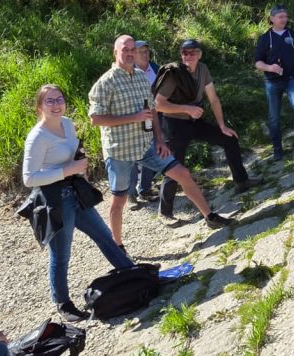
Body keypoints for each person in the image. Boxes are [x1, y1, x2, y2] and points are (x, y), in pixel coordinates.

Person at [89, 35, 234, 240]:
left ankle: (210, 217)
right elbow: (95, 119)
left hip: (145, 145)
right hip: (119, 150)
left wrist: (159, 140)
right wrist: (133, 118)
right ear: (115, 52)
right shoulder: (105, 82)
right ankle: (118, 246)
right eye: (125, 50)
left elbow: (153, 110)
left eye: (132, 49)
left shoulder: (141, 77)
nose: (130, 53)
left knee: (183, 173)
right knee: (119, 200)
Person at [22, 83, 135, 321]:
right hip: (56, 200)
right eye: (50, 101)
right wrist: (67, 170)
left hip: (76, 192)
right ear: (40, 107)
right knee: (61, 254)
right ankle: (62, 303)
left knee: (105, 237)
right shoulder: (37, 137)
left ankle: (132, 274)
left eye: (59, 99)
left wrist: (79, 165)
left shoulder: (67, 123)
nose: (56, 105)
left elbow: (73, 155)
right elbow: (29, 178)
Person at [154, 39, 256, 219]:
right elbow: (158, 105)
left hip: (194, 121)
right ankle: (165, 212)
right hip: (173, 125)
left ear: (199, 54)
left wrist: (222, 126)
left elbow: (213, 98)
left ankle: (242, 181)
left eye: (192, 52)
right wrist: (186, 108)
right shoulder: (174, 74)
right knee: (174, 167)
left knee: (229, 139)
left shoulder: (203, 69)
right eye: (185, 53)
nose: (188, 56)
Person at [254, 4, 294, 160]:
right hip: (272, 82)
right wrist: (270, 67)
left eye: (285, 16)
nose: (284, 19)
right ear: (272, 19)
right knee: (274, 117)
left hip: (291, 79)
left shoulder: (292, 34)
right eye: (280, 17)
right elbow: (258, 62)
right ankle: (277, 149)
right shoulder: (265, 38)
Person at [128, 41, 160, 207]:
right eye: (141, 52)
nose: (145, 55)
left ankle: (145, 189)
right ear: (133, 55)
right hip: (134, 119)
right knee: (132, 157)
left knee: (151, 151)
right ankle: (130, 194)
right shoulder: (127, 71)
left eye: (146, 51)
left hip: (155, 116)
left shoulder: (156, 68)